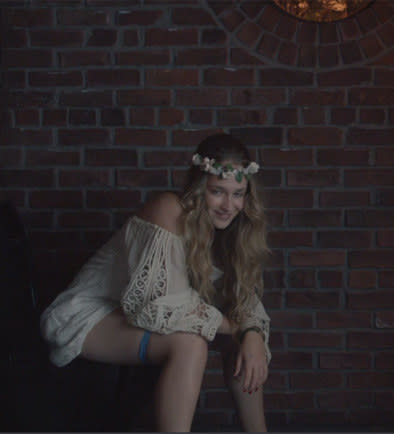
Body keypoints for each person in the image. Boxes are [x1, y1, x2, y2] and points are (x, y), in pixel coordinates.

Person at [40, 133, 271, 432]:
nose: (229, 204)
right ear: (200, 188)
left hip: (133, 317)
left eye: (238, 193)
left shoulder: (231, 233)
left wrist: (251, 333)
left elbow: (246, 303)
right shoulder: (169, 209)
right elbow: (161, 306)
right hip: (90, 315)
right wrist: (239, 326)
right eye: (218, 191)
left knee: (244, 341)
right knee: (191, 343)